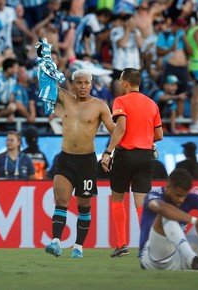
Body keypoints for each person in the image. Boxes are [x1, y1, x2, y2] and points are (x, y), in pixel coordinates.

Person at [45, 69, 115, 258]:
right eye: (79, 83)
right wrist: (45, 60)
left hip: (86, 161)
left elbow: (114, 131)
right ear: (73, 84)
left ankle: (78, 246)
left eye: (86, 83)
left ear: (91, 85)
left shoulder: (100, 106)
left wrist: (111, 152)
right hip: (65, 158)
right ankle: (56, 242)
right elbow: (45, 82)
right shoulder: (65, 98)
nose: (83, 87)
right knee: (61, 201)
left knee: (84, 205)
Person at [101, 68, 163, 257]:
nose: (120, 84)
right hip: (146, 157)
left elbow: (120, 128)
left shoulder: (121, 100)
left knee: (118, 199)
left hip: (126, 155)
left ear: (126, 83)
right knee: (141, 203)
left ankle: (121, 245)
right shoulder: (152, 104)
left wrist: (107, 152)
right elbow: (159, 135)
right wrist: (147, 139)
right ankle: (149, 245)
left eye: (121, 81)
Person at [139, 168, 198, 271]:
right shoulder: (154, 194)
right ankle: (192, 259)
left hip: (180, 257)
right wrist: (195, 220)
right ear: (168, 186)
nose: (181, 200)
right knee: (166, 215)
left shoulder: (189, 198)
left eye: (184, 196)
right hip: (154, 259)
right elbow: (161, 208)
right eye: (178, 195)